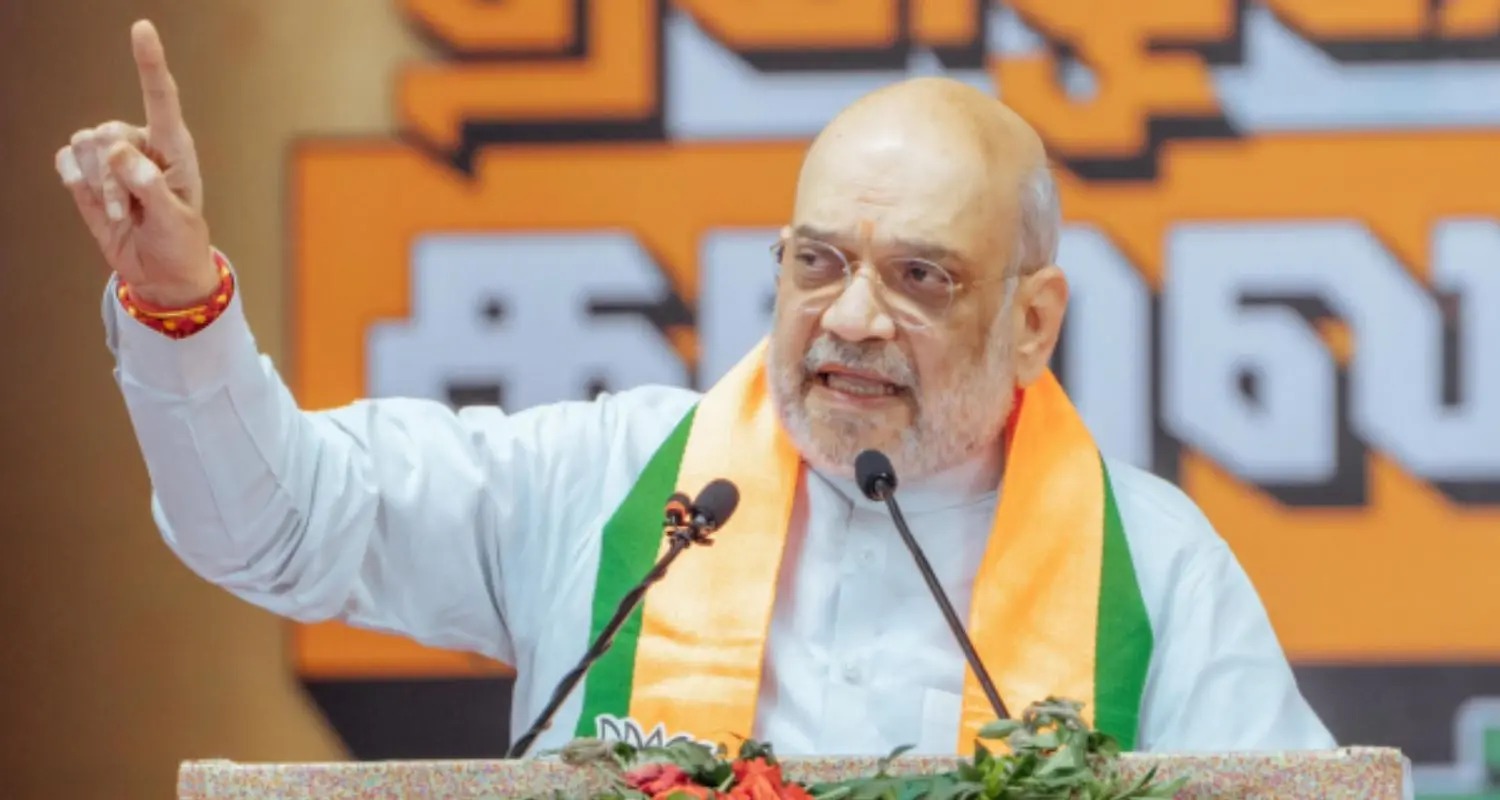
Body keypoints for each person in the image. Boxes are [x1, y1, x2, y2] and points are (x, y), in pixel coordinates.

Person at [55, 20, 1335, 757]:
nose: (851, 317)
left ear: (1032, 320)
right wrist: (180, 305)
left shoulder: (1153, 567)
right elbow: (274, 524)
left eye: (920, 275)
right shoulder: (622, 486)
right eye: (818, 262)